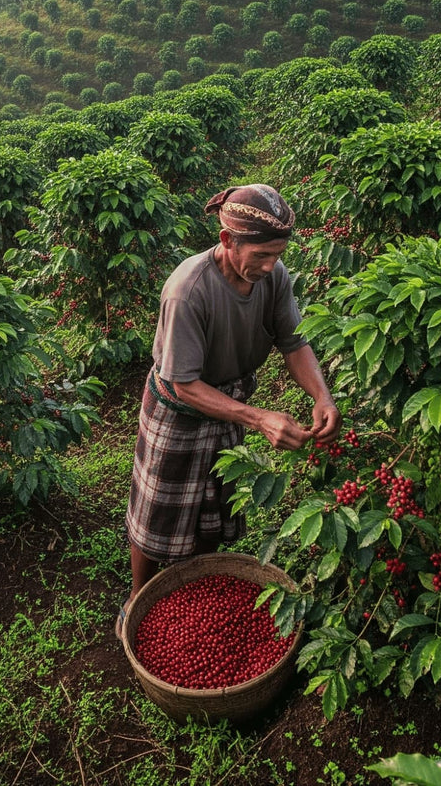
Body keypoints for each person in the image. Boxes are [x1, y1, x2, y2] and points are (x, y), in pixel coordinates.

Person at [118, 183, 340, 636]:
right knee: (156, 510)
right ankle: (138, 595)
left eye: (277, 254)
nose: (270, 265)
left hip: (229, 397)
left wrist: (322, 396)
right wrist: (258, 418)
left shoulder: (272, 278)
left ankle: (199, 584)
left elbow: (293, 341)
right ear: (226, 241)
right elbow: (183, 385)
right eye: (260, 254)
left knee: (213, 503)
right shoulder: (188, 290)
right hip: (179, 405)